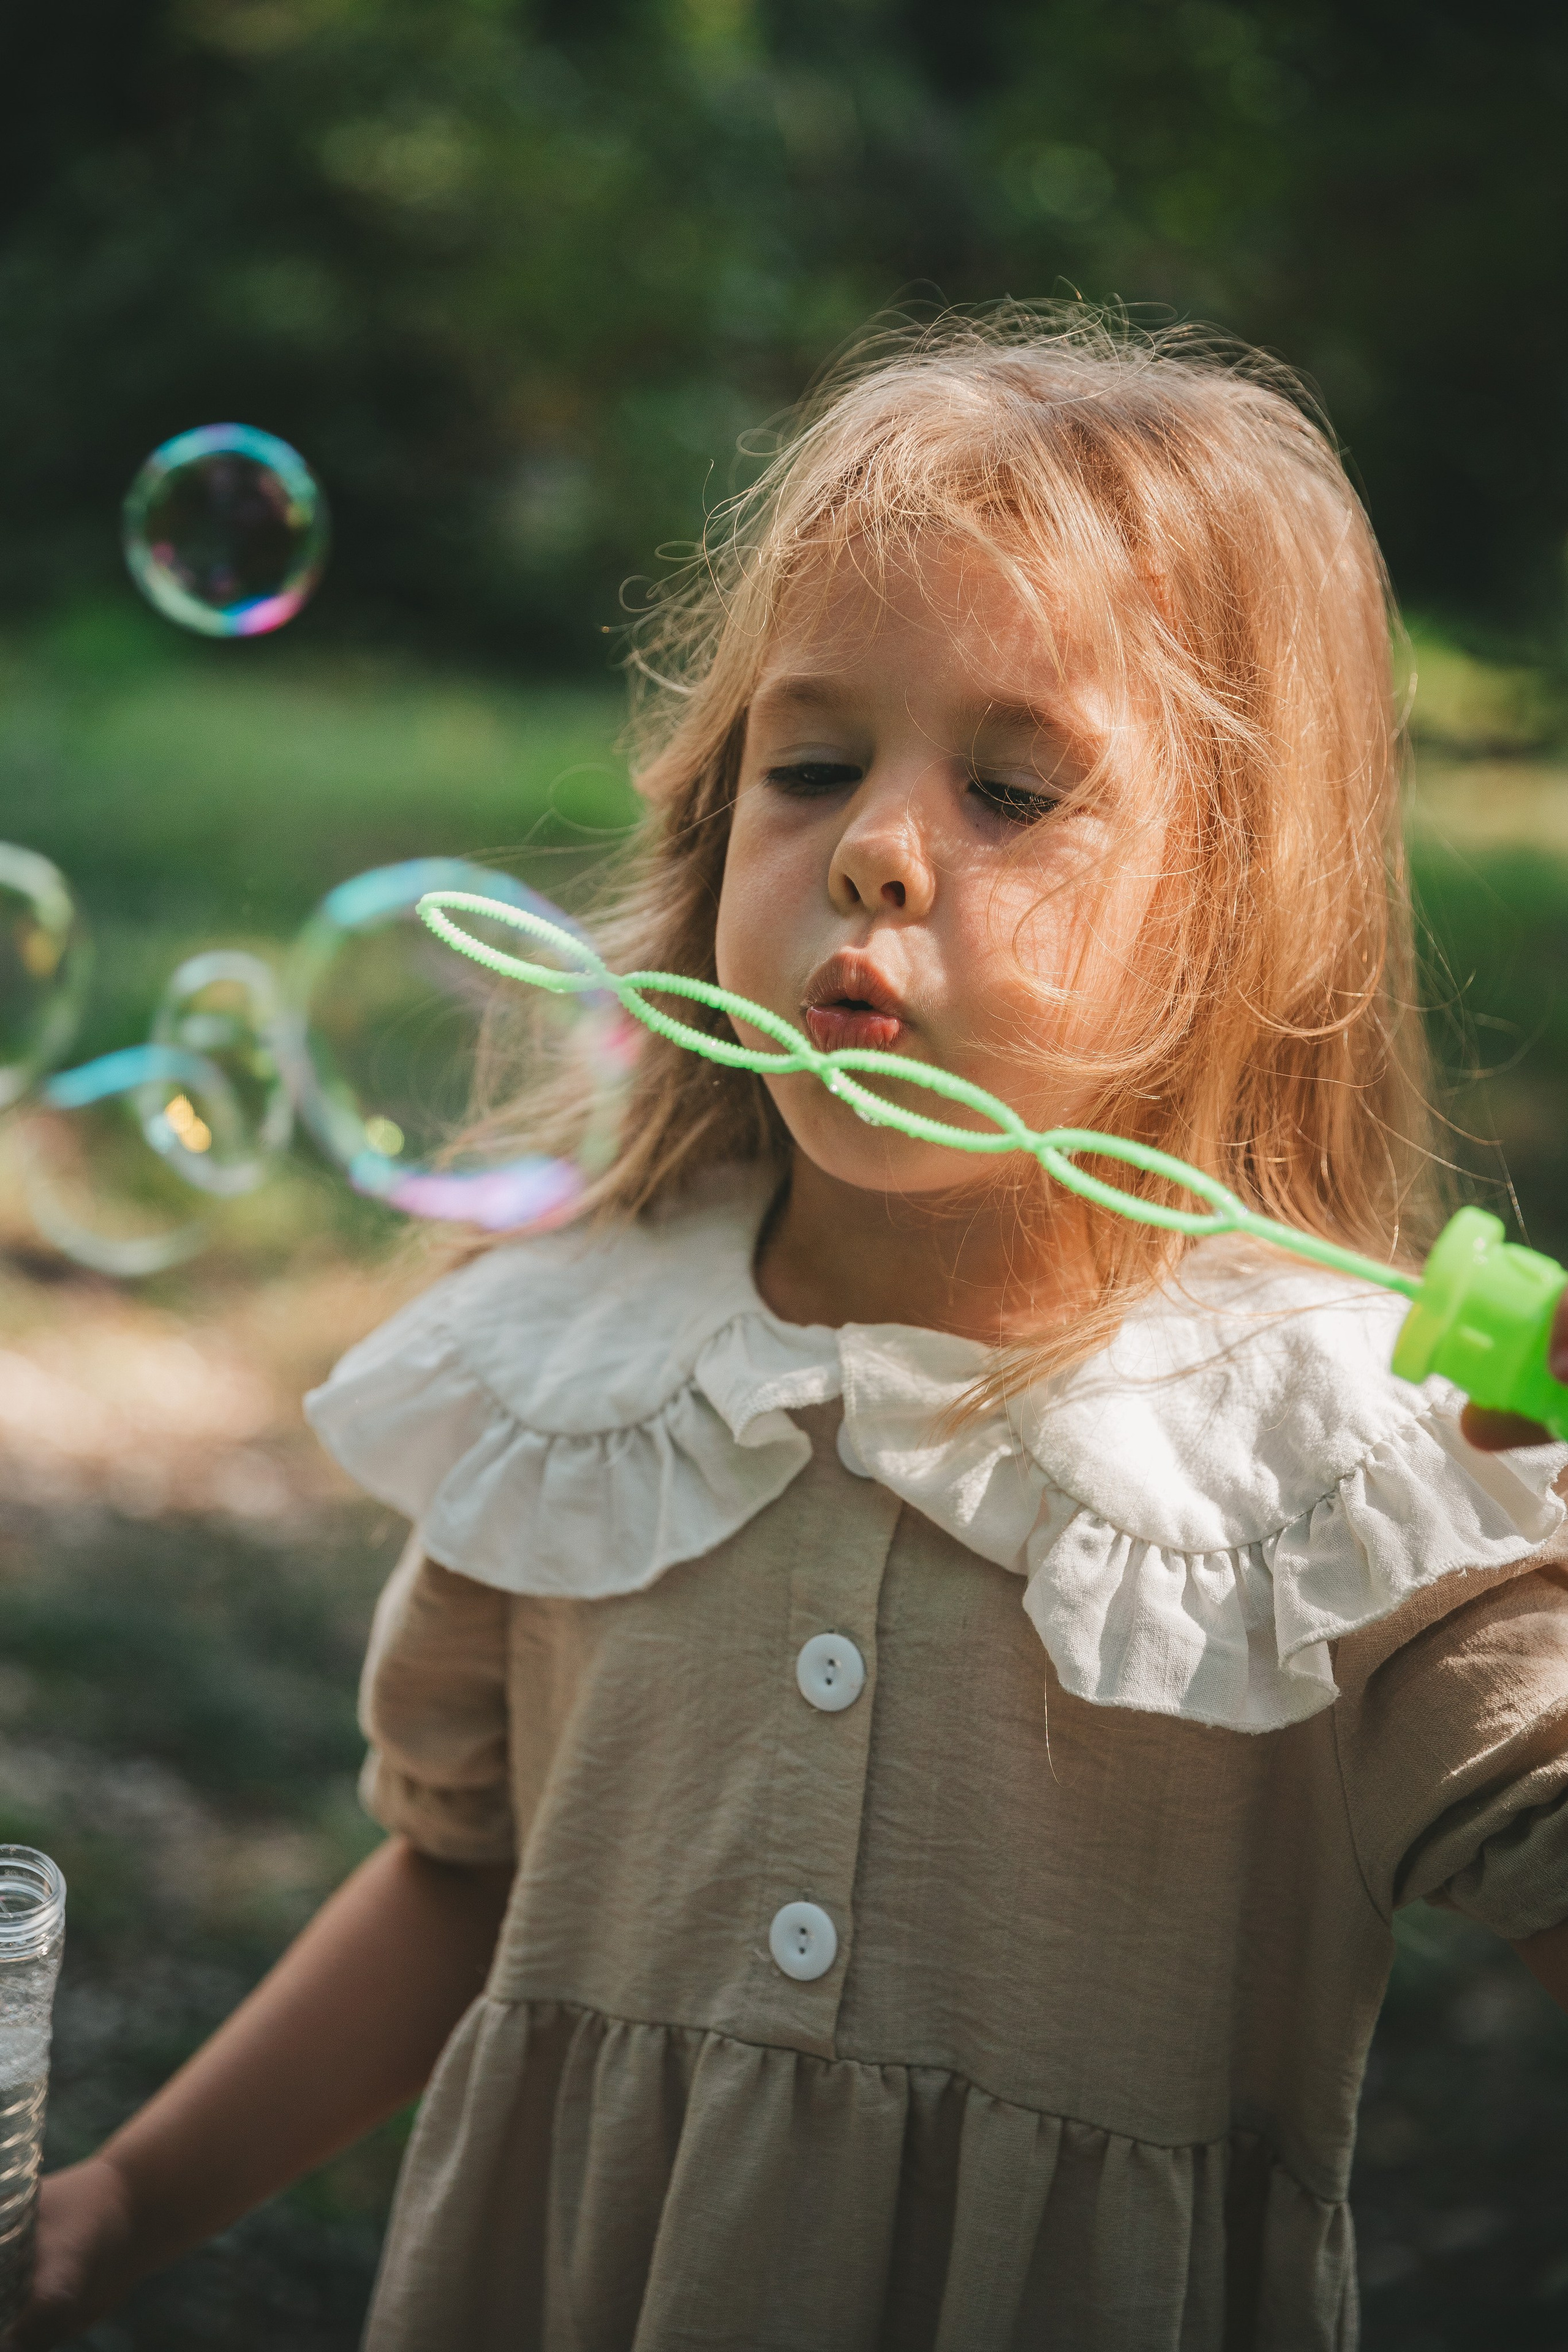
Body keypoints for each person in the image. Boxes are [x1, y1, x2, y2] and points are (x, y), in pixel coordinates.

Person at [15, 309, 1568, 2351]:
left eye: (1013, 789)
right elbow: (464, 1878)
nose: (877, 850)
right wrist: (131, 2200)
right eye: (812, 764)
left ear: (1237, 913)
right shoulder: (584, 1368)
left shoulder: (1336, 1475)